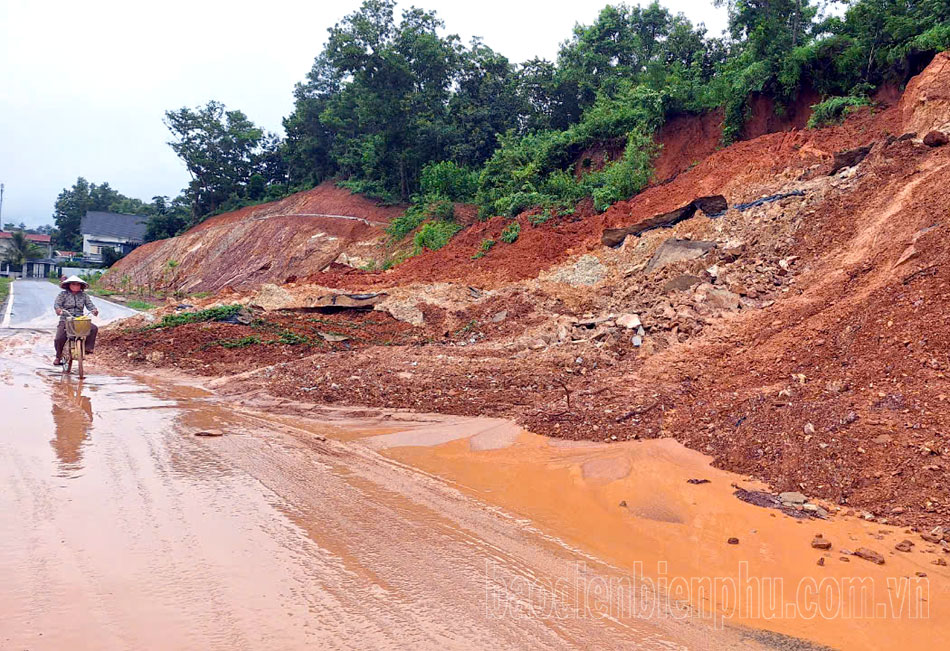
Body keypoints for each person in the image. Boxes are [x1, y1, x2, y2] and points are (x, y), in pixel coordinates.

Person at [54, 275, 99, 365]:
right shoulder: (63, 295)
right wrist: (58, 310)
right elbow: (57, 304)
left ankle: (88, 348)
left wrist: (94, 310)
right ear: (69, 285)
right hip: (66, 319)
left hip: (79, 319)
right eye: (73, 284)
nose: (76, 286)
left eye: (78, 285)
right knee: (59, 338)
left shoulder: (84, 296)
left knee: (93, 328)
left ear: (81, 286)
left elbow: (90, 305)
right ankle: (58, 357)